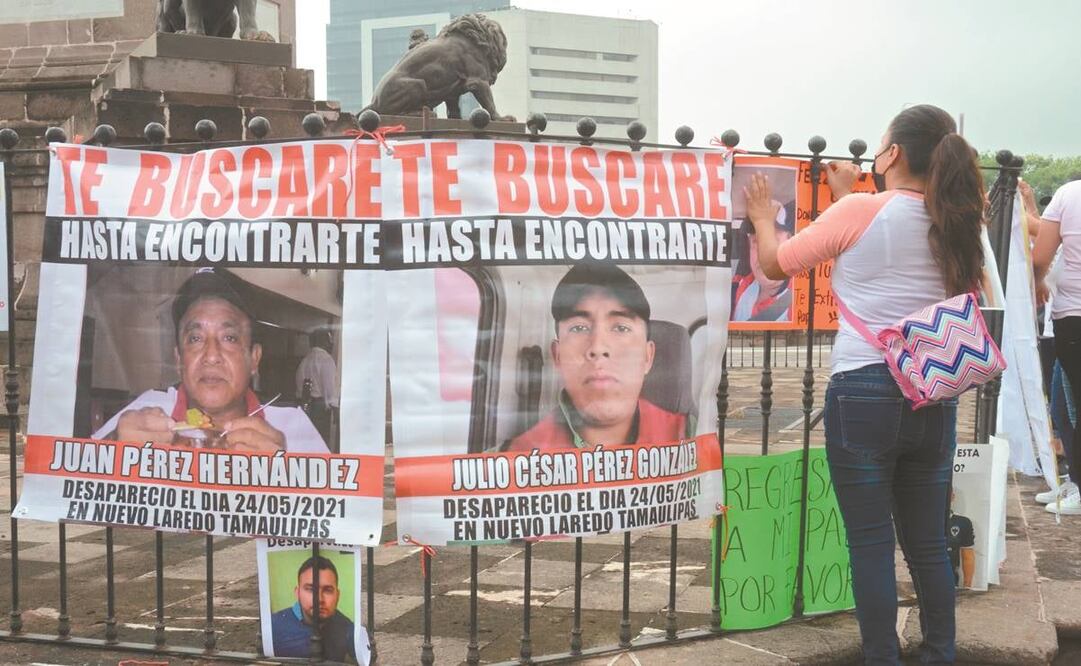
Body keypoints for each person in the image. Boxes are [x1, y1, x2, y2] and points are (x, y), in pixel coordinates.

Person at [746, 104, 985, 664]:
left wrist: (761, 217)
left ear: (893, 153)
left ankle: (882, 656)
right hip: (932, 391)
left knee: (871, 542)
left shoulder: (859, 210)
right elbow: (891, 239)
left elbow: (776, 265)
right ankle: (940, 653)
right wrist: (848, 194)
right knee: (928, 543)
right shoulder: (957, 220)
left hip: (863, 390)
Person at [93, 269, 328, 453]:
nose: (211, 355)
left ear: (254, 359)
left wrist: (284, 476)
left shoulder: (291, 426)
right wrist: (113, 448)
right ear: (179, 359)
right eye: (195, 338)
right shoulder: (149, 408)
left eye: (229, 338)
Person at [506, 263, 689, 451]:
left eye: (621, 328)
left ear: (647, 357)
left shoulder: (692, 436)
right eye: (579, 328)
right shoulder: (511, 456)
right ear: (557, 356)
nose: (598, 348)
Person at [1034, 176, 1081, 514]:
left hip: (1073, 316)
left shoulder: (1069, 194)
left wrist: (1037, 282)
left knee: (1073, 403)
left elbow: (1040, 257)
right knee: (1067, 404)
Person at [270, 555, 357, 662]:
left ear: (337, 595)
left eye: (327, 590)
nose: (319, 599)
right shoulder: (273, 626)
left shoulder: (349, 630)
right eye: (310, 589)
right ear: (297, 593)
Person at [731, 201, 795, 322]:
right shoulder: (737, 287)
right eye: (756, 241)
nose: (763, 253)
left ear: (790, 243)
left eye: (773, 240)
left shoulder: (802, 300)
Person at [296, 328, 339, 443]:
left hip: (305, 406)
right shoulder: (326, 359)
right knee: (321, 441)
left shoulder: (304, 360)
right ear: (323, 340)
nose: (331, 342)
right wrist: (335, 409)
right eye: (329, 338)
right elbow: (330, 388)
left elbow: (299, 388)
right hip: (320, 408)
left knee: (307, 440)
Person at [946, 491, 976, 588]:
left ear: (952, 496)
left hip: (951, 580)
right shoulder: (923, 522)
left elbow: (968, 556)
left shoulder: (962, 523)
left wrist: (967, 586)